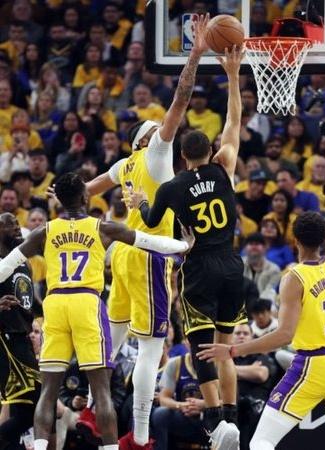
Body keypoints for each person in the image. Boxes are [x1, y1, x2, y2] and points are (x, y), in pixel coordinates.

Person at [79, 15, 210, 450]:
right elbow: (180, 100)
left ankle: (85, 406)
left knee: (112, 344)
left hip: (121, 255)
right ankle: (141, 435)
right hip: (150, 254)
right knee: (153, 348)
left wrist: (59, 200)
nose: (164, 130)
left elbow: (85, 191)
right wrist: (194, 54)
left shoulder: (123, 166)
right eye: (156, 130)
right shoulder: (155, 155)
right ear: (146, 140)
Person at [0, 172, 195, 450]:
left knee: (48, 389)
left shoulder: (45, 230)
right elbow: (149, 241)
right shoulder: (101, 227)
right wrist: (183, 246)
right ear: (84, 197)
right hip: (86, 302)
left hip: (55, 304)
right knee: (101, 389)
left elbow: (4, 267)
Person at [125, 47, 244, 448]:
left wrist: (138, 201)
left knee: (202, 348)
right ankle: (232, 416)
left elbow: (152, 213)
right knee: (225, 349)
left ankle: (215, 422)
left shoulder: (174, 186)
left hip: (198, 269)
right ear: (209, 152)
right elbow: (234, 120)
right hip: (232, 263)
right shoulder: (224, 165)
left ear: (181, 156)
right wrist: (231, 75)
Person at [197, 212, 325, 450]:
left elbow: (284, 335)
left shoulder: (294, 277)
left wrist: (234, 349)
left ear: (294, 239)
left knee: (261, 442)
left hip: (314, 365)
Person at [0, 213, 40, 449]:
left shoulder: (23, 262)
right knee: (35, 404)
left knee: (24, 412)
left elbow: (29, 300)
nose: (16, 227)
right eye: (9, 225)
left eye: (17, 223)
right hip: (5, 339)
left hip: (22, 338)